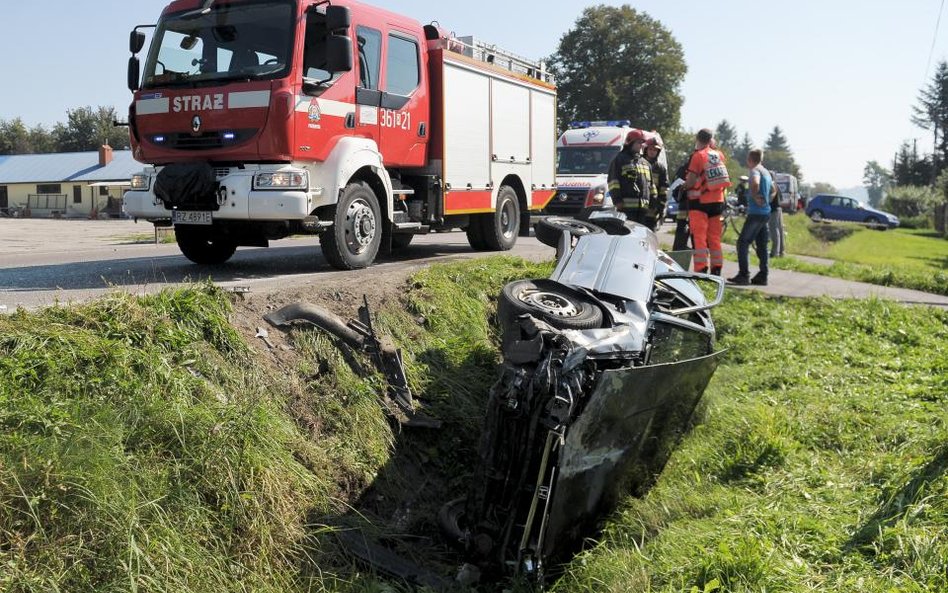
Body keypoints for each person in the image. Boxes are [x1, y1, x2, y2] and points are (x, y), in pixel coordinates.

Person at [683, 129, 731, 275]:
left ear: (697, 138)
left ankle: (701, 268)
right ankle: (716, 268)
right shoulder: (719, 155)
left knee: (699, 237)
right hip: (717, 202)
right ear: (711, 139)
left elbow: (691, 180)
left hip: (699, 203)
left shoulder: (698, 156)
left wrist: (683, 186)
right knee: (714, 237)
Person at [728, 149, 772, 286]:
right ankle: (763, 275)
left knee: (743, 242)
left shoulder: (755, 171)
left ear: (749, 159)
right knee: (762, 245)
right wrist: (767, 200)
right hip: (765, 212)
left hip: (756, 213)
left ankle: (744, 275)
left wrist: (755, 196)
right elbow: (774, 189)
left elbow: (755, 183)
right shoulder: (766, 172)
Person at [607, 129, 653, 226]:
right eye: (638, 142)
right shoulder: (620, 159)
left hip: (643, 210)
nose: (640, 145)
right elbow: (613, 182)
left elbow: (650, 186)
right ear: (630, 143)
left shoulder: (646, 163)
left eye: (642, 143)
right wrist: (617, 201)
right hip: (626, 208)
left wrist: (653, 204)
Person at [644, 136, 669, 230]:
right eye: (650, 149)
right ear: (646, 149)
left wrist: (660, 206)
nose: (652, 151)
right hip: (639, 207)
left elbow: (664, 189)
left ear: (658, 152)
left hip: (652, 208)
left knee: (650, 233)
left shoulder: (660, 168)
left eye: (655, 150)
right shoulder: (638, 164)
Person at [671, 163, 693, 251]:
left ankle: (680, 248)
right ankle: (679, 249)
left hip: (690, 206)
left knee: (684, 229)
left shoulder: (685, 168)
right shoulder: (684, 169)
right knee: (682, 229)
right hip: (686, 205)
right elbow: (675, 186)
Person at [768, 175, 786, 258]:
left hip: (773, 210)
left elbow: (769, 199)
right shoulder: (776, 185)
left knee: (774, 230)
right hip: (779, 209)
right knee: (780, 230)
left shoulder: (770, 185)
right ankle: (781, 251)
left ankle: (775, 252)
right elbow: (781, 198)